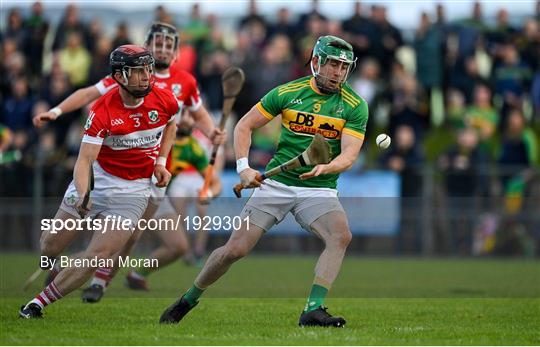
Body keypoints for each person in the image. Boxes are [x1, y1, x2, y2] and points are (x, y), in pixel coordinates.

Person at [160, 35, 368, 327]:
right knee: (235, 250)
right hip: (276, 184)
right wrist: (243, 168)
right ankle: (189, 298)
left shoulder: (354, 105)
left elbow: (349, 154)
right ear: (317, 62)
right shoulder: (288, 92)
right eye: (333, 64)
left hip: (319, 188)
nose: (338, 72)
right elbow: (245, 126)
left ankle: (313, 309)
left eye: (344, 67)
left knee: (340, 236)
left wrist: (329, 167)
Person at [32, 22, 225, 303]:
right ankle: (78, 269)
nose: (162, 49)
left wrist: (211, 133)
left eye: (167, 45)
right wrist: (57, 110)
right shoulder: (125, 77)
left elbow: (197, 116)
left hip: (154, 174)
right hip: (111, 170)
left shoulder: (185, 82)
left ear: (175, 52)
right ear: (147, 45)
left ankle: (101, 279)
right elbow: (88, 94)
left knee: (133, 235)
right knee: (72, 240)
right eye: (156, 43)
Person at [19, 44, 179, 319]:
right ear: (119, 76)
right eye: (138, 71)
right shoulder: (102, 111)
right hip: (99, 181)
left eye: (148, 69)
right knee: (50, 246)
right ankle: (56, 268)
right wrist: (84, 194)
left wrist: (161, 162)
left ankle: (37, 304)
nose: (146, 76)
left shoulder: (165, 100)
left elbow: (171, 126)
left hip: (135, 190)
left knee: (97, 255)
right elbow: (83, 162)